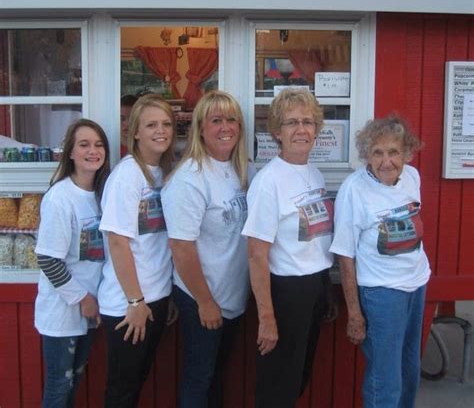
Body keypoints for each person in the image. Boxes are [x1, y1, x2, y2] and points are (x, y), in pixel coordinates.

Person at [242, 89, 335, 408]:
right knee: (278, 384)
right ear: (276, 132)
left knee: (298, 377)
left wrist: (325, 290)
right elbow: (256, 253)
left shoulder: (314, 173)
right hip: (285, 293)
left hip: (315, 286)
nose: (301, 129)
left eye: (308, 122)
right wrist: (267, 316)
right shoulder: (269, 182)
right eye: (292, 122)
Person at [329, 115, 431, 408]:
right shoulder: (354, 190)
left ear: (406, 153)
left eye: (394, 152)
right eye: (378, 152)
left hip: (417, 284)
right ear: (367, 156)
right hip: (382, 293)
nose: (387, 161)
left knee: (410, 369)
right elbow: (345, 254)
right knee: (386, 380)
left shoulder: (412, 177)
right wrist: (355, 313)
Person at [161, 90, 253, 408]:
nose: (225, 127)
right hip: (202, 296)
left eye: (231, 120)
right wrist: (205, 302)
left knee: (216, 375)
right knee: (199, 378)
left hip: (231, 297)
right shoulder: (190, 179)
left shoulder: (240, 170)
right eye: (216, 120)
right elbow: (181, 247)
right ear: (200, 128)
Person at [98, 94, 175, 407]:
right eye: (152, 124)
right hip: (128, 305)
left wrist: (163, 296)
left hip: (154, 297)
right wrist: (136, 301)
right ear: (136, 132)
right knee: (122, 389)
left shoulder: (161, 172)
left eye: (166, 124)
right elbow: (118, 242)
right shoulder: (126, 176)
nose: (161, 130)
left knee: (136, 381)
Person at [34, 118, 110, 408]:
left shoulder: (102, 193)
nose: (93, 151)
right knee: (59, 385)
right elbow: (48, 258)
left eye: (99, 144)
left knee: (74, 381)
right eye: (84, 144)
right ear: (71, 152)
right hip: (63, 312)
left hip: (90, 309)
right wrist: (82, 299)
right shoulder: (60, 198)